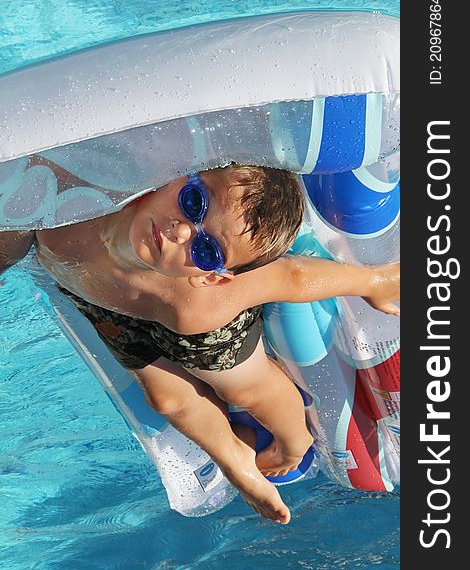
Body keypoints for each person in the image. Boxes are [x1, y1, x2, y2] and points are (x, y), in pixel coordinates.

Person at [0, 162, 400, 525]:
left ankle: (294, 440)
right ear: (178, 174)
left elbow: (291, 277)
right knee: (167, 400)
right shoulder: (79, 198)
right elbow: (13, 219)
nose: (182, 230)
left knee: (249, 388)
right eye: (194, 201)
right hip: (104, 303)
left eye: (205, 250)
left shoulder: (207, 300)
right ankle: (234, 457)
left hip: (195, 326)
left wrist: (374, 283)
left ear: (214, 275)